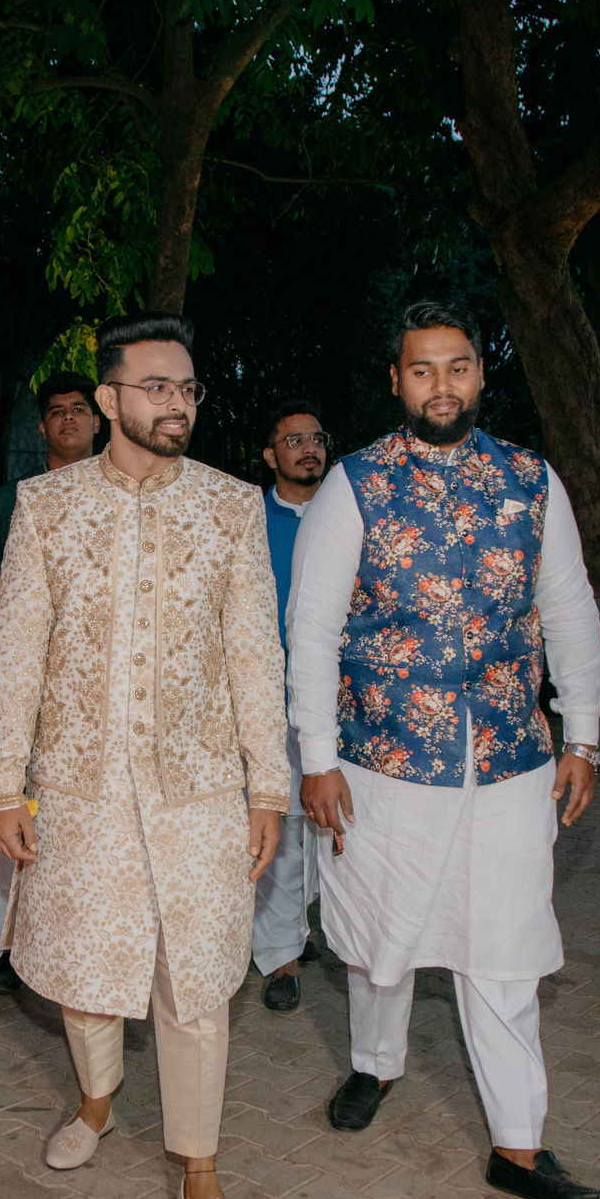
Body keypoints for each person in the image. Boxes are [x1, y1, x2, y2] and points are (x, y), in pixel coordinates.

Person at [287, 300, 600, 1199]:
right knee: (380, 940)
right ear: (397, 381)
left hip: (509, 758)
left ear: (480, 373)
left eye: (457, 367)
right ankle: (374, 1063)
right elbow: (311, 629)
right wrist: (316, 758)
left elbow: (570, 608)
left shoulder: (531, 481)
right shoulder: (355, 484)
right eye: (422, 369)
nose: (442, 386)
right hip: (381, 761)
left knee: (505, 949)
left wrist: (583, 733)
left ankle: (518, 1146)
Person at [0, 312, 287, 1199]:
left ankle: (200, 1175)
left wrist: (269, 787)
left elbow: (255, 655)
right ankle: (97, 1100)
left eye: (187, 388)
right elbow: (16, 651)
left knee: (194, 981)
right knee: (86, 969)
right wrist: (4, 783)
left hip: (199, 788)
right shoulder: (46, 506)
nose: (177, 404)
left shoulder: (232, 506)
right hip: (80, 787)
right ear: (109, 399)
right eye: (156, 387)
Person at [0, 372, 99, 993]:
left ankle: (87, 947)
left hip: (100, 696)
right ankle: (10, 948)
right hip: (28, 690)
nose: (69, 418)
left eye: (79, 409)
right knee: (15, 809)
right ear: (42, 428)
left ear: (99, 421)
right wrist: (38, 631)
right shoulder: (11, 501)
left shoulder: (121, 498)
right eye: (57, 411)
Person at [253, 399, 331, 1013]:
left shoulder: (349, 514)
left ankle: (312, 927)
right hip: (269, 702)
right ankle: (281, 957)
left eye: (316, 438)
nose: (309, 449)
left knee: (332, 823)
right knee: (279, 827)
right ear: (269, 456)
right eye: (294, 440)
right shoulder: (249, 520)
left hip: (342, 703)